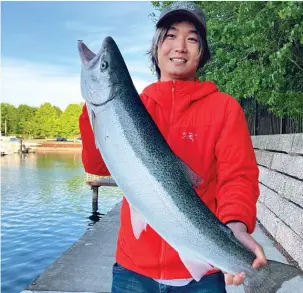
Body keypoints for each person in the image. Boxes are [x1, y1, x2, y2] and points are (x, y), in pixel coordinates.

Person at [79, 2, 267, 292]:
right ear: (156, 47)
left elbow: (238, 176)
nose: (180, 46)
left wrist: (237, 224)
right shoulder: (134, 106)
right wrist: (93, 112)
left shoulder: (225, 108)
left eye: (192, 38)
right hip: (133, 268)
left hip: (202, 274)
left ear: (202, 52)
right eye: (170, 36)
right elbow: (97, 166)